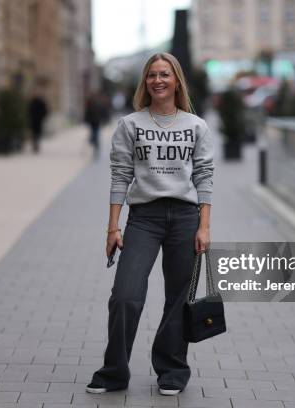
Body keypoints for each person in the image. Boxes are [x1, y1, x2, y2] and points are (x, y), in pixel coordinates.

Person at [86, 53, 214, 396]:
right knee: (125, 296)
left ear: (176, 81)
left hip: (186, 218)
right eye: (152, 75)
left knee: (178, 298)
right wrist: (112, 229)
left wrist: (204, 226)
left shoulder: (196, 126)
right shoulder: (130, 124)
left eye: (165, 74)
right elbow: (120, 177)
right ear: (145, 82)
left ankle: (172, 369)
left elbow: (204, 176)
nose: (158, 80)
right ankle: (115, 371)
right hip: (144, 218)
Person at [84, 93, 104, 158]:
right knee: (94, 135)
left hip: (96, 123)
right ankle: (95, 145)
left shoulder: (97, 105)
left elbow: (102, 113)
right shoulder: (90, 106)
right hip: (93, 123)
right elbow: (87, 114)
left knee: (95, 135)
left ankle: (96, 147)